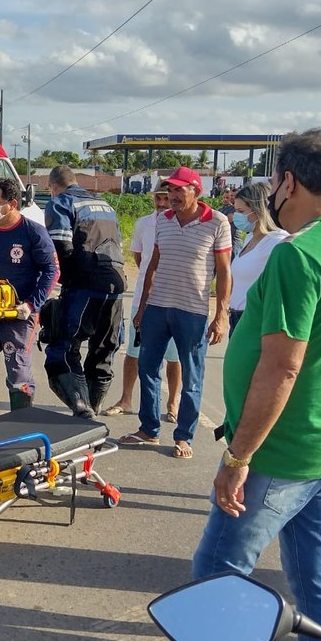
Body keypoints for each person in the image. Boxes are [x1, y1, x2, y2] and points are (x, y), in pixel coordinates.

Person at [182, 129, 321, 641]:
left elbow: (282, 368)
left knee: (217, 573)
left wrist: (238, 458)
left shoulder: (298, 255)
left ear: (288, 182)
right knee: (312, 579)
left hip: (278, 451)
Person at [121, 166, 231, 459]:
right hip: (157, 307)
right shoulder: (163, 220)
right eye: (169, 190)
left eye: (179, 190)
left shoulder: (217, 222)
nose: (172, 196)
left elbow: (223, 272)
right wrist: (142, 307)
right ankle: (148, 429)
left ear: (196, 191)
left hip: (192, 311)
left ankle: (184, 437)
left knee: (193, 376)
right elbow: (152, 265)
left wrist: (221, 315)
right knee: (147, 368)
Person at [0, 177, 58, 420]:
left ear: (12, 203)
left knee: (18, 373)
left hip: (18, 315)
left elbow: (52, 270)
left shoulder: (32, 232)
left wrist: (31, 304)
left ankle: (20, 428)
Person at [42, 165, 125, 418]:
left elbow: (62, 247)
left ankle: (81, 407)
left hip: (84, 284)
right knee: (104, 348)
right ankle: (94, 408)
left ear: (53, 186)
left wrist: (64, 283)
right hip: (116, 285)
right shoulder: (105, 205)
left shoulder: (60, 203)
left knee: (63, 347)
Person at [102, 184, 182, 422]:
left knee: (173, 357)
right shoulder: (143, 224)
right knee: (134, 352)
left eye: (165, 199)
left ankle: (172, 404)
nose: (160, 203)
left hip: (175, 299)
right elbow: (139, 257)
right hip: (144, 299)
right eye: (157, 198)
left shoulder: (183, 225)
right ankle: (126, 399)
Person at [227, 182, 287, 335]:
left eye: (241, 211)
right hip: (236, 317)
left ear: (258, 210)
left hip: (255, 320)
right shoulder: (250, 238)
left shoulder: (277, 242)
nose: (237, 216)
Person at [220, 187, 243, 262]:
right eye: (231, 195)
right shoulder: (223, 208)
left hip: (234, 241)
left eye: (234, 196)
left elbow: (226, 220)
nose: (225, 199)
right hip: (224, 240)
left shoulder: (236, 209)